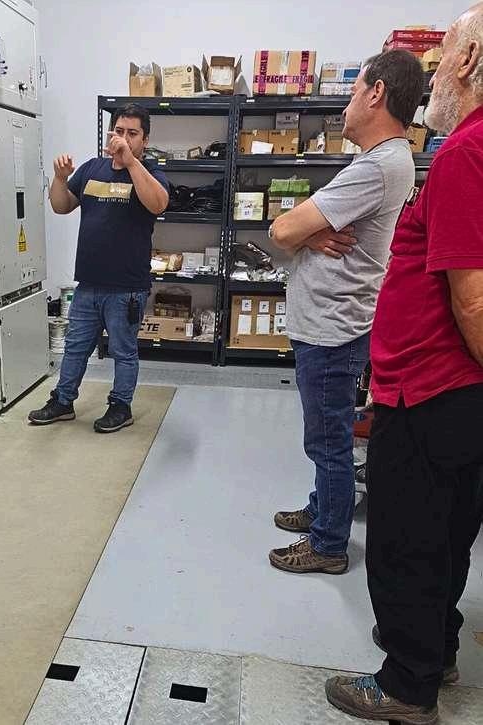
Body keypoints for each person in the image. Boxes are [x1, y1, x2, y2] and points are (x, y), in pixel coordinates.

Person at [325, 5, 483, 723]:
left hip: (429, 390)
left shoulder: (464, 153)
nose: (434, 74)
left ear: (469, 61)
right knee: (444, 533)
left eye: (444, 54)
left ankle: (407, 685)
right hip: (447, 389)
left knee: (405, 540)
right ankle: (436, 649)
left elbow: (472, 300)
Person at [266, 51, 424, 575]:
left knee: (328, 439)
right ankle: (323, 510)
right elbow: (301, 231)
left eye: (355, 92)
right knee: (327, 432)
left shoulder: (377, 167)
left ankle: (329, 543)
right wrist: (315, 233)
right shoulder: (383, 161)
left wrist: (304, 231)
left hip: (332, 328)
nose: (346, 104)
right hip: (333, 321)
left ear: (376, 93)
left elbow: (281, 230)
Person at [28, 104, 169, 433]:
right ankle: (63, 402)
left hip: (127, 287)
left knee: (123, 351)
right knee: (76, 347)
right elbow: (61, 206)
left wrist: (130, 162)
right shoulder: (92, 169)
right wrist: (60, 179)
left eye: (132, 133)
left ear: (144, 140)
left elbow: (158, 203)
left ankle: (121, 406)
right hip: (88, 284)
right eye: (119, 131)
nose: (123, 138)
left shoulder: (149, 172)